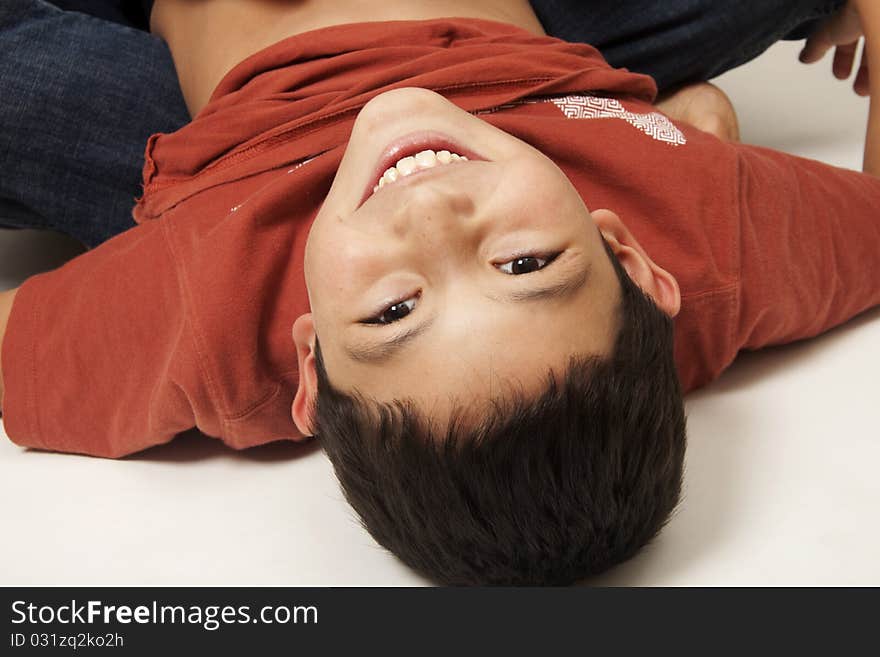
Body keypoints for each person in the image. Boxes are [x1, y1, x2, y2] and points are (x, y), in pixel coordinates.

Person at [1, 0, 878, 586]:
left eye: (393, 311)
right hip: (533, 65)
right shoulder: (701, 231)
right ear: (630, 255)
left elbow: (20, 351)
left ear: (307, 361)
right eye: (527, 264)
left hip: (239, 120)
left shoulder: (211, 313)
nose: (427, 215)